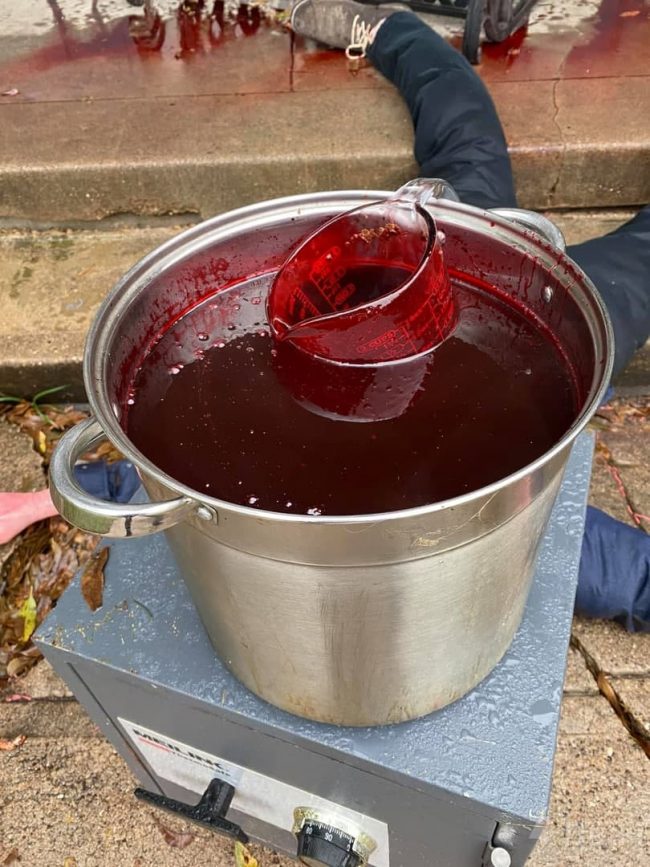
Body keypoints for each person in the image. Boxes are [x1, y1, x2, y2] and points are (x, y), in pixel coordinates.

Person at [2, 2, 649, 632]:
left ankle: (391, 29)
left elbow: (192, 486)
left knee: (466, 141)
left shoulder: (281, 476)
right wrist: (52, 497)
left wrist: (46, 498)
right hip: (495, 353)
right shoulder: (528, 520)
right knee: (511, 176)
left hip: (438, 271)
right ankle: (398, 30)